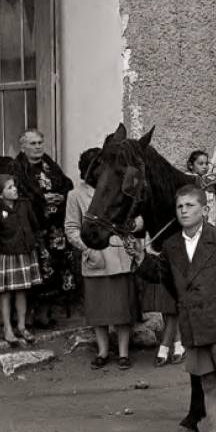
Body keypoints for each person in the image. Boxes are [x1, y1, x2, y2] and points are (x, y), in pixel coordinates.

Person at [134, 184, 216, 432]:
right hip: (193, 325)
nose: (184, 210)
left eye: (190, 205)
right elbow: (164, 279)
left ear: (204, 209)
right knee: (208, 385)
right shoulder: (171, 245)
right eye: (180, 207)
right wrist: (140, 257)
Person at [64, 148, 139, 369]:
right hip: (95, 257)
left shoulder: (120, 191)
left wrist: (133, 229)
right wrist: (88, 249)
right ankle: (103, 351)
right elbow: (71, 228)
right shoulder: (76, 195)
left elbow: (137, 218)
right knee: (99, 312)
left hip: (121, 256)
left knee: (122, 310)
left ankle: (124, 353)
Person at [13, 128, 73, 328]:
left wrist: (61, 196)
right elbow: (18, 195)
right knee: (34, 269)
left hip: (54, 229)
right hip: (32, 228)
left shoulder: (49, 164)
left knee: (55, 268)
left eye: (40, 142)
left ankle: (45, 313)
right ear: (23, 147)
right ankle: (27, 315)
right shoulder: (17, 168)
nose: (38, 147)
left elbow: (66, 184)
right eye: (33, 143)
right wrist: (41, 199)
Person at [0, 174, 43, 346]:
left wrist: (36, 243)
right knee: (5, 293)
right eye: (9, 188)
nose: (15, 189)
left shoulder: (24, 205)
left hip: (24, 252)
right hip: (5, 255)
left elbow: (35, 225)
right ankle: (7, 328)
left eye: (14, 186)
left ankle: (22, 326)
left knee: (22, 291)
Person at [187, 150, 216, 225]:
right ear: (191, 165)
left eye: (206, 164)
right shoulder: (187, 181)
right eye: (201, 164)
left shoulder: (210, 182)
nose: (205, 167)